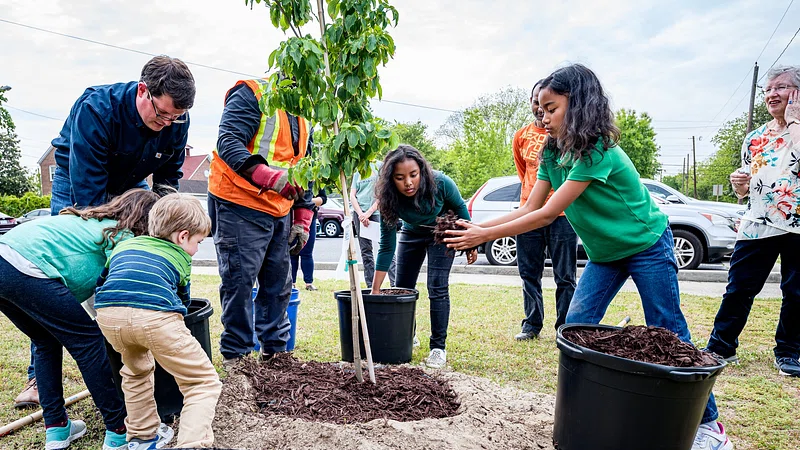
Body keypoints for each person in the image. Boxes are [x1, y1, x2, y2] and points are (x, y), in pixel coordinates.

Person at [445, 64, 733, 450]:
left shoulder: (598, 150)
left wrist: (486, 234)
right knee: (576, 327)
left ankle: (709, 426)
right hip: (605, 255)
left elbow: (548, 215)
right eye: (539, 111)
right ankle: (586, 407)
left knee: (669, 331)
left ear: (578, 103)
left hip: (647, 245)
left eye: (551, 108)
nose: (543, 117)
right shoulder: (550, 152)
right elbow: (529, 205)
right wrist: (476, 227)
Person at [14, 55, 196, 408]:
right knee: (62, 277)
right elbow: (89, 198)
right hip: (78, 182)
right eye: (161, 114)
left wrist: (165, 226)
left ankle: (133, 346)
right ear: (143, 91)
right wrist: (113, 242)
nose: (167, 123)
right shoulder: (96, 109)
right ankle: (39, 377)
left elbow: (168, 179)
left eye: (176, 117)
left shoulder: (175, 120)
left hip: (132, 183)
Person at [0, 189, 163, 450]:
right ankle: (118, 429)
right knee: (88, 343)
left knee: (45, 341)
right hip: (29, 266)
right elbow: (115, 292)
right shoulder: (122, 235)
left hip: (4, 260)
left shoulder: (89, 221)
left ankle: (57, 430)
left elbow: (92, 292)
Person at [95, 194, 222, 449]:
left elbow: (102, 281)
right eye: (198, 241)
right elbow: (182, 301)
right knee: (202, 381)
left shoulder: (125, 245)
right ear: (183, 236)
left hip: (109, 316)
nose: (197, 249)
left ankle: (142, 438)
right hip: (155, 317)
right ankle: (192, 443)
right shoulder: (180, 256)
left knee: (135, 372)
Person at [208, 77, 315, 363]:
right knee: (239, 283)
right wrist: (270, 178)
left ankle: (276, 355)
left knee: (279, 286)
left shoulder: (305, 109)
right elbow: (228, 142)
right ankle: (237, 357)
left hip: (279, 208)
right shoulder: (252, 94)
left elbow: (306, 164)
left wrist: (302, 216)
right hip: (238, 201)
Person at [705, 65, 800, 378]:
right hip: (758, 223)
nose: (772, 94)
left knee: (796, 292)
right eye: (768, 89)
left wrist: (795, 120)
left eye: (782, 87)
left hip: (797, 224)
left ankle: (788, 351)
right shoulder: (756, 138)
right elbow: (749, 185)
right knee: (739, 289)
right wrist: (740, 185)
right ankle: (721, 347)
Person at [372, 145, 478, 369]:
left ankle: (438, 347)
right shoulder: (388, 200)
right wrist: (375, 289)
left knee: (437, 287)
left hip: (441, 231)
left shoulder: (440, 183)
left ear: (422, 171)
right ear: (391, 179)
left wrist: (471, 243)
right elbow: (386, 245)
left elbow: (460, 207)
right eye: (400, 178)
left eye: (413, 175)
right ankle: (407, 335)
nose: (408, 183)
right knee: (402, 287)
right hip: (411, 233)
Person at [511, 80, 577, 340]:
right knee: (528, 273)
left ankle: (564, 327)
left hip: (562, 215)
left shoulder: (565, 136)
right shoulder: (521, 136)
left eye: (547, 104)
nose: (541, 109)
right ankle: (531, 324)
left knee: (565, 276)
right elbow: (523, 172)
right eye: (536, 102)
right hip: (529, 214)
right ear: (531, 103)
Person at [350, 162, 396, 289]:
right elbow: (352, 195)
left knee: (386, 247)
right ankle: (370, 285)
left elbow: (383, 193)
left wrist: (369, 212)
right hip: (360, 215)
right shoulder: (358, 169)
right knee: (366, 251)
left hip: (377, 213)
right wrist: (361, 214)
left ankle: (395, 283)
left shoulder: (379, 166)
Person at [291, 189, 327, 291]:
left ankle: (308, 283)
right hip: (294, 216)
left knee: (307, 251)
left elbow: (323, 198)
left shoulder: (315, 178)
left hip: (310, 218)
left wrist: (307, 201)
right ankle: (291, 282)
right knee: (292, 251)